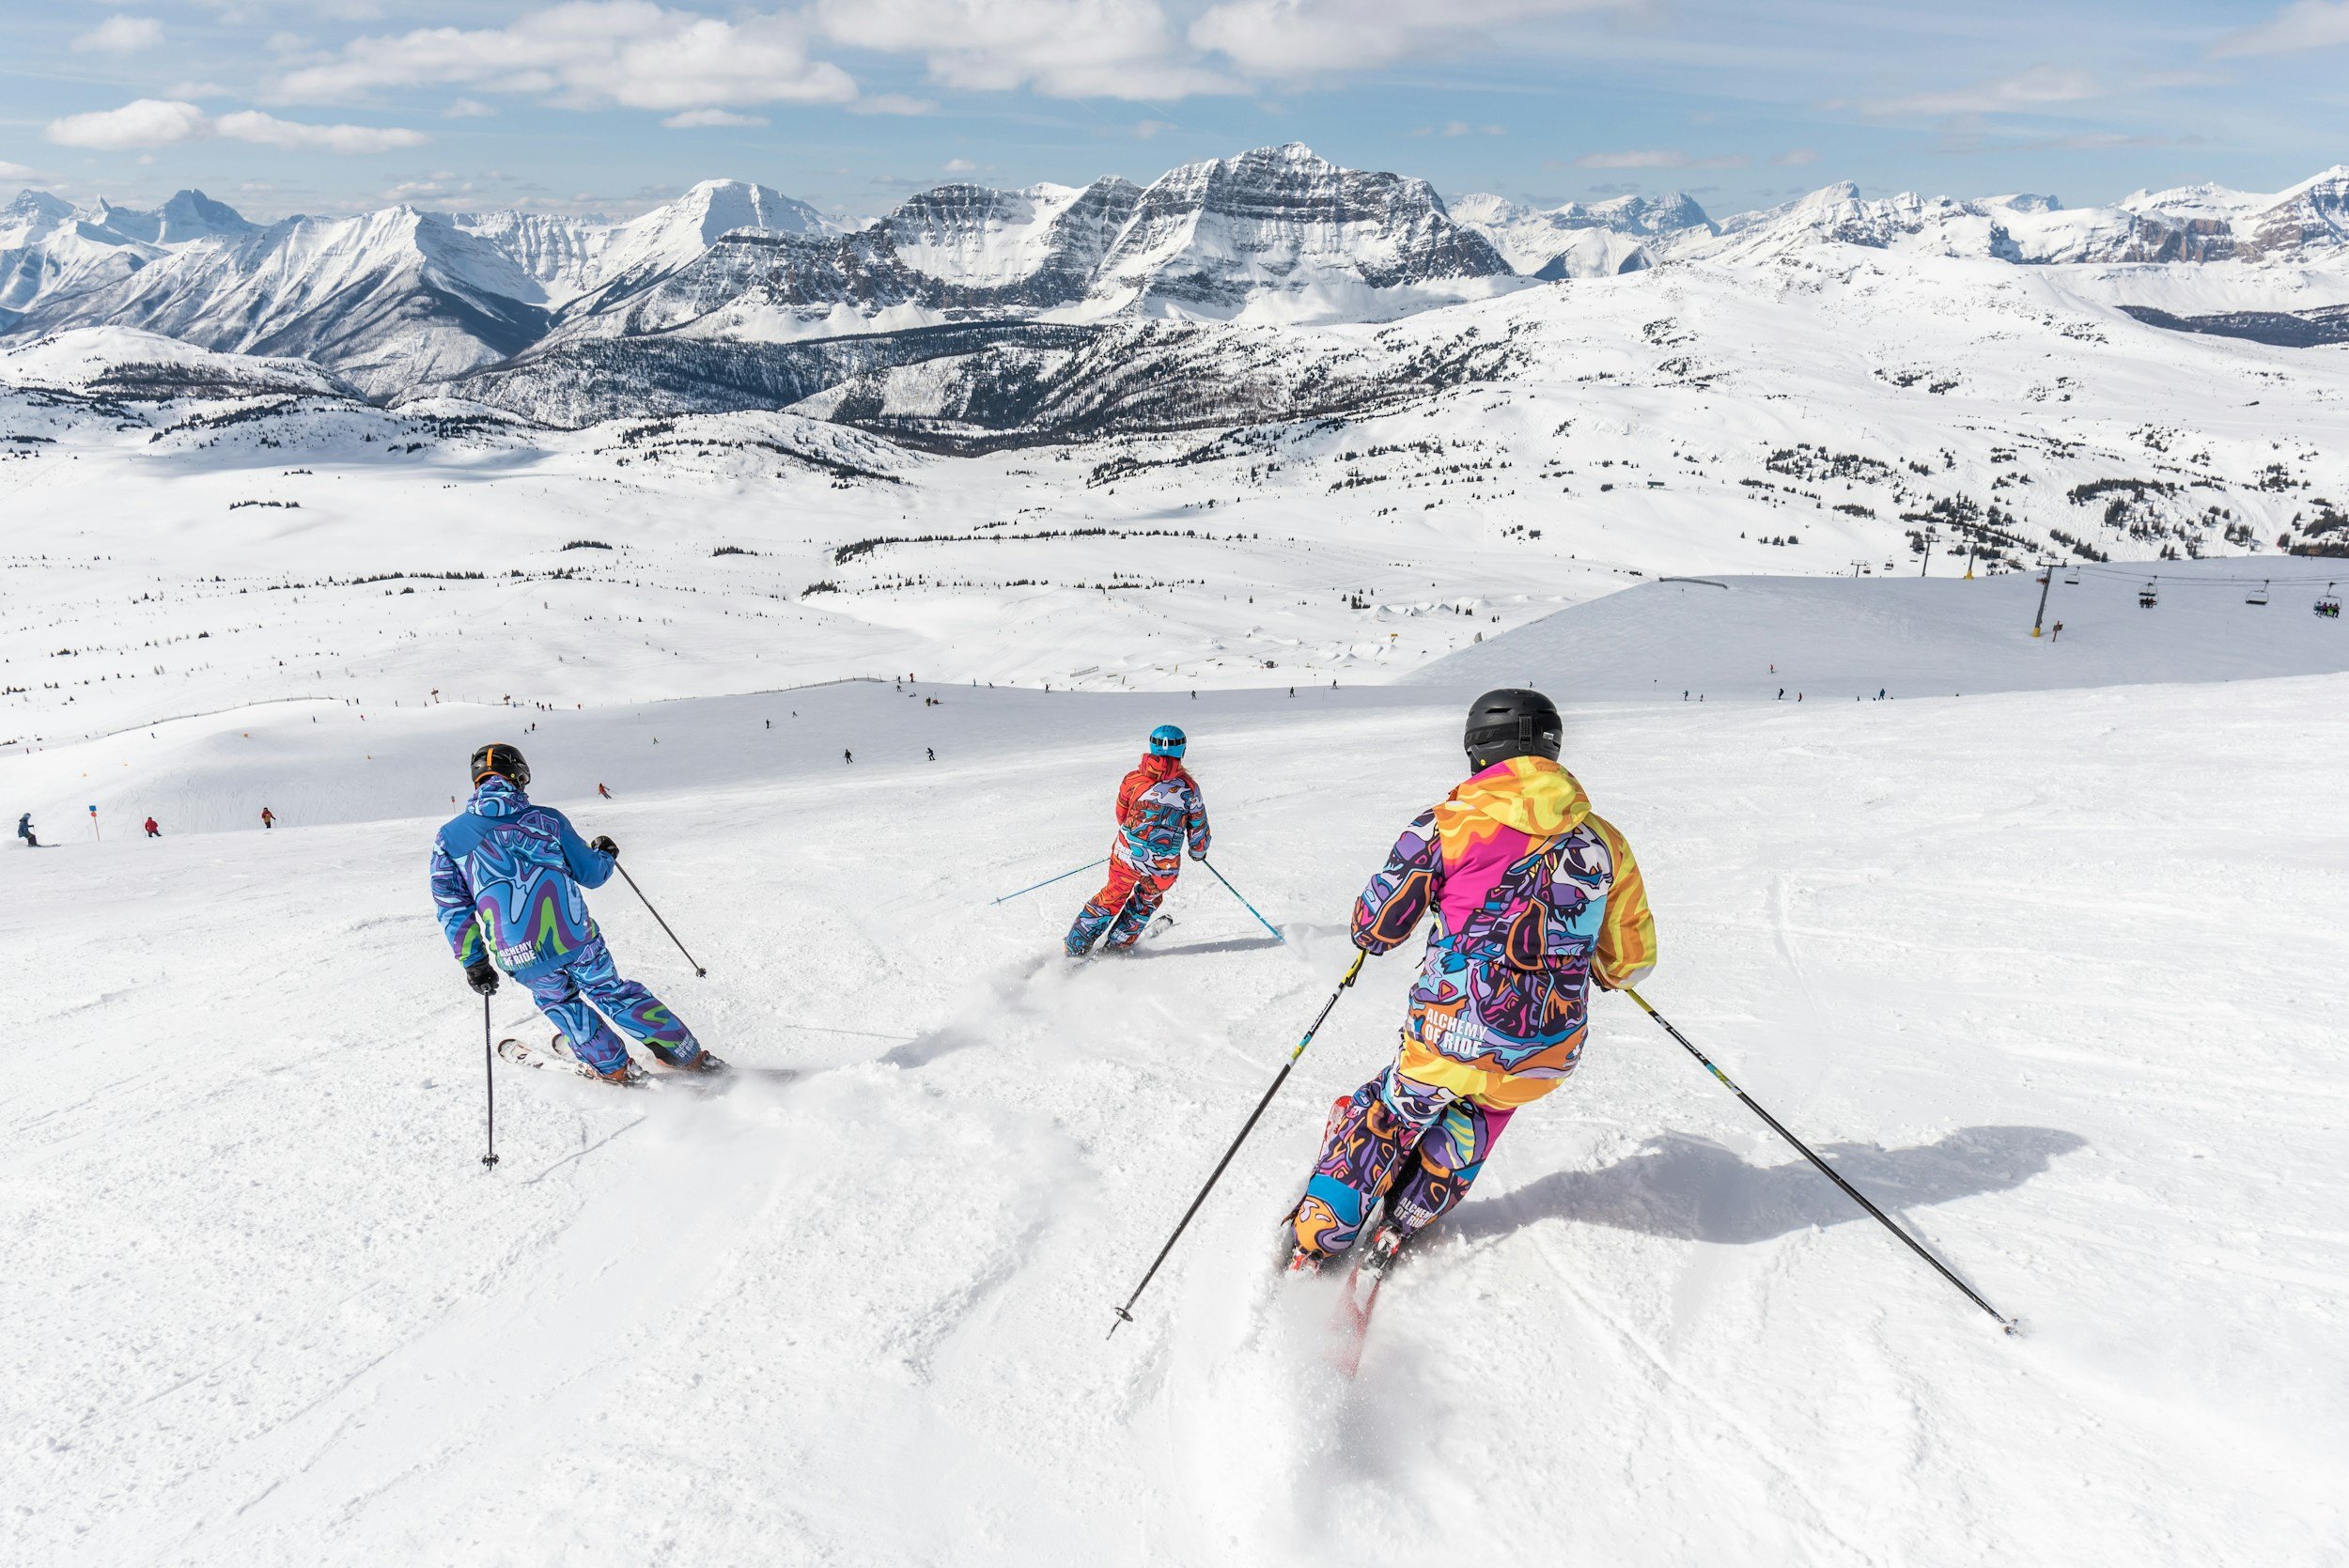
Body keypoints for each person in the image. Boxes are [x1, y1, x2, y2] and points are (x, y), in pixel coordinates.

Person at [1285, 689, 1657, 1275]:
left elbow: (1377, 925)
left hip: (1449, 1029)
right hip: (1547, 1046)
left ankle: (1321, 1233)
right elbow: (1627, 959)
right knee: (1481, 1114)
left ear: (1479, 749)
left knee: (1394, 1110)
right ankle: (1406, 1217)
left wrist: (1368, 938)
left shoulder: (1448, 824)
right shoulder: (1604, 841)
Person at [429, 743, 723, 1083]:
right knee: (612, 992)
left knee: (562, 1004)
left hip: (518, 953)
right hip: (574, 936)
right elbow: (591, 874)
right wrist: (606, 855)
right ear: (519, 776)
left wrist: (474, 962)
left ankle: (614, 1068)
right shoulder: (546, 820)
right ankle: (687, 1056)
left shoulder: (448, 838)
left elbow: (452, 905)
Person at [1065, 724, 1210, 957]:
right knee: (1146, 899)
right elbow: (1199, 826)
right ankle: (1118, 944)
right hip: (1162, 865)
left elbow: (1122, 815)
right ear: (1182, 751)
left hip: (1126, 855)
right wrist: (1198, 851)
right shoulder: (1189, 788)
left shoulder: (1133, 780)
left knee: (1114, 893)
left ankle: (1076, 943)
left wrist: (1134, 842)